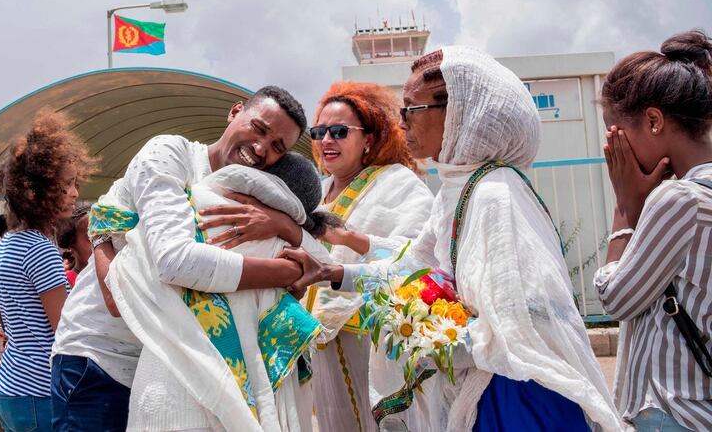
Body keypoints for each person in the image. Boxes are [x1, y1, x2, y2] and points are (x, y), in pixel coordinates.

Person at [283, 47, 624, 431]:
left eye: (412, 109)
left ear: (459, 112)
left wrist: (428, 342)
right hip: (478, 387)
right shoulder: (456, 190)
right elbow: (410, 268)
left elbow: (524, 322)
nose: (403, 123)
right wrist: (331, 272)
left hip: (517, 399)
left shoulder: (496, 194)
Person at [51, 86, 317, 432]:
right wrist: (284, 272)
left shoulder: (251, 200)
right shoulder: (169, 154)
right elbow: (175, 261)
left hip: (164, 359)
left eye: (277, 147)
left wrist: (285, 226)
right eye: (259, 128)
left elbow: (318, 261)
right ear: (235, 112)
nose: (261, 148)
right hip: (99, 359)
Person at [107, 152, 337, 432]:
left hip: (163, 385)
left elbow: (124, 263)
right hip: (232, 392)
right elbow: (328, 269)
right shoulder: (283, 242)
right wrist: (287, 229)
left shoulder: (185, 202)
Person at [593, 30, 712, 431]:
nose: (611, 149)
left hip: (673, 411)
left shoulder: (679, 201)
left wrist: (626, 207)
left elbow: (617, 299)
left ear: (654, 120)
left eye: (615, 133)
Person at [303, 81, 434, 432]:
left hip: (374, 339)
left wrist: (351, 238)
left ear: (370, 139)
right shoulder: (315, 191)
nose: (326, 140)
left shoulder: (397, 183)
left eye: (339, 131)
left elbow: (419, 256)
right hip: (320, 339)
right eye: (319, 132)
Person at [0, 111, 95, 432]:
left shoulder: (7, 244)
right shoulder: (40, 249)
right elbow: (63, 328)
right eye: (65, 186)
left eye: (75, 184)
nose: (74, 193)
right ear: (37, 190)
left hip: (7, 385)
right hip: (37, 391)